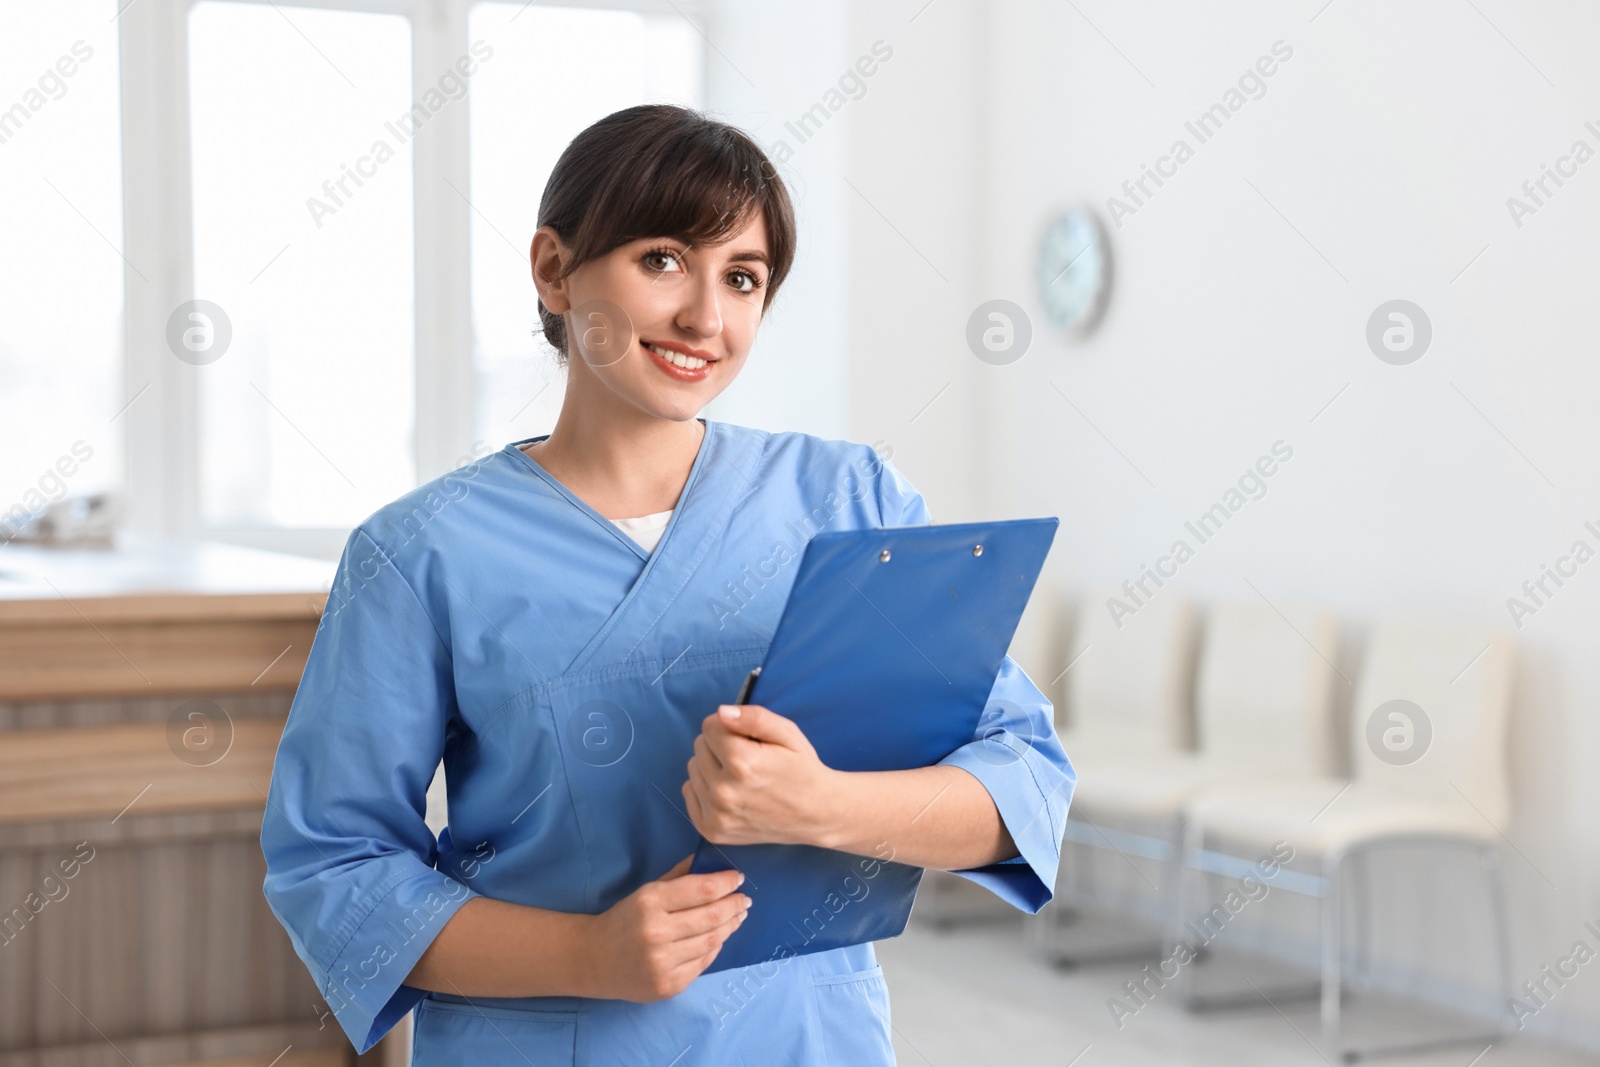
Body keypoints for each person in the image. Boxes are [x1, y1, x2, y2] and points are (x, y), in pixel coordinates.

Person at [260, 103, 1074, 1066]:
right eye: (661, 260)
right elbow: (336, 868)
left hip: (809, 1038)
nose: (705, 317)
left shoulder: (852, 500)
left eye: (742, 278)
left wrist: (820, 806)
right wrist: (588, 951)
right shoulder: (417, 552)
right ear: (554, 269)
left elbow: (1022, 778)